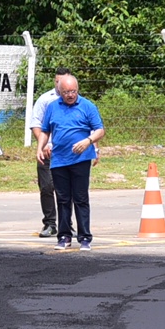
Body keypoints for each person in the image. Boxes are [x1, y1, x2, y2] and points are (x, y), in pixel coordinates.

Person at [36, 72, 105, 251]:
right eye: (66, 92)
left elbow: (99, 130)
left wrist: (88, 141)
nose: (70, 95)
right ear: (60, 91)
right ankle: (64, 236)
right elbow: (45, 130)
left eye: (73, 91)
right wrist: (40, 147)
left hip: (81, 159)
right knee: (63, 199)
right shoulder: (52, 107)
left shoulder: (87, 106)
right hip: (59, 159)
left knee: (81, 198)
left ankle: (84, 237)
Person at [28, 67, 73, 238]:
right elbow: (36, 124)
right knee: (47, 187)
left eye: (63, 81)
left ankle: (67, 224)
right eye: (57, 81)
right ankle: (50, 223)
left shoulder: (75, 101)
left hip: (68, 152)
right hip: (48, 151)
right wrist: (44, 144)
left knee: (67, 189)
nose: (59, 84)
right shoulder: (45, 100)